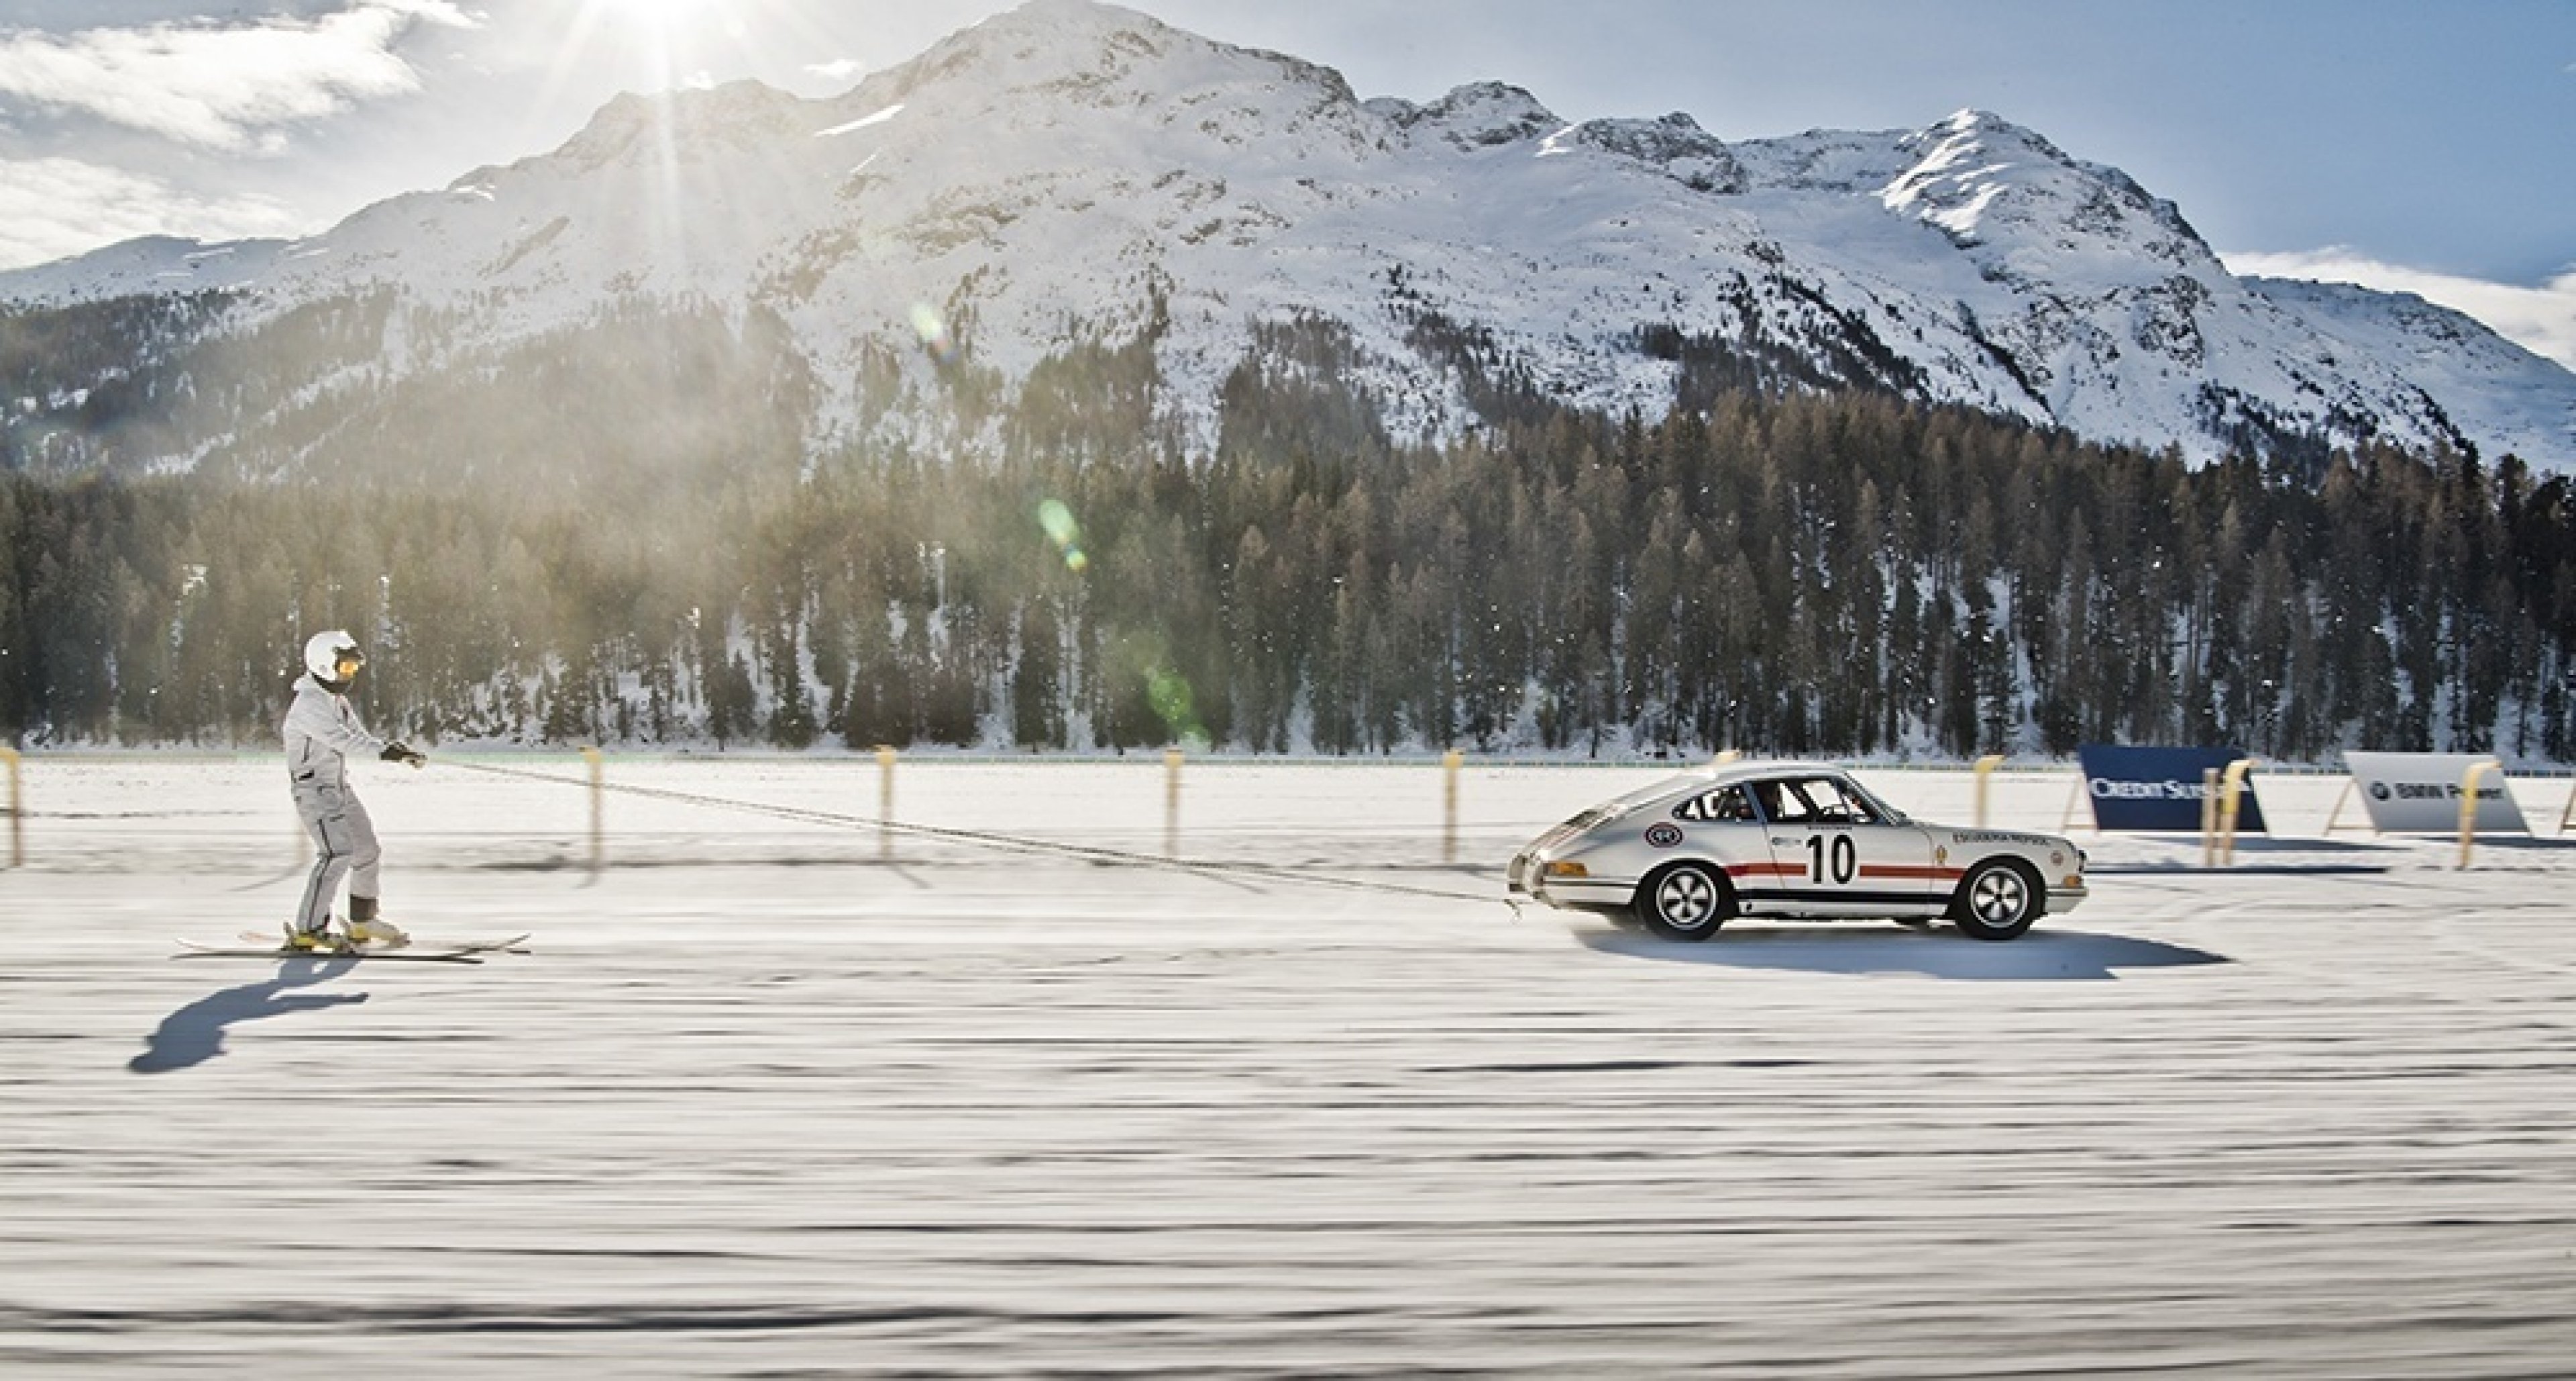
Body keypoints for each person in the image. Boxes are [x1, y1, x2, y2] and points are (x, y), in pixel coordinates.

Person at [283, 630, 425, 952]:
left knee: (366, 850)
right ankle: (308, 929)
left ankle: (362, 922)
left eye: (353, 668)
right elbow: (342, 740)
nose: (350, 674)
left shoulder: (337, 702)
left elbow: (358, 735)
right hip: (314, 790)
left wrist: (395, 751)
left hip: (338, 787)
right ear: (323, 665)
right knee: (337, 854)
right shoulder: (308, 704)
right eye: (344, 667)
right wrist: (384, 752)